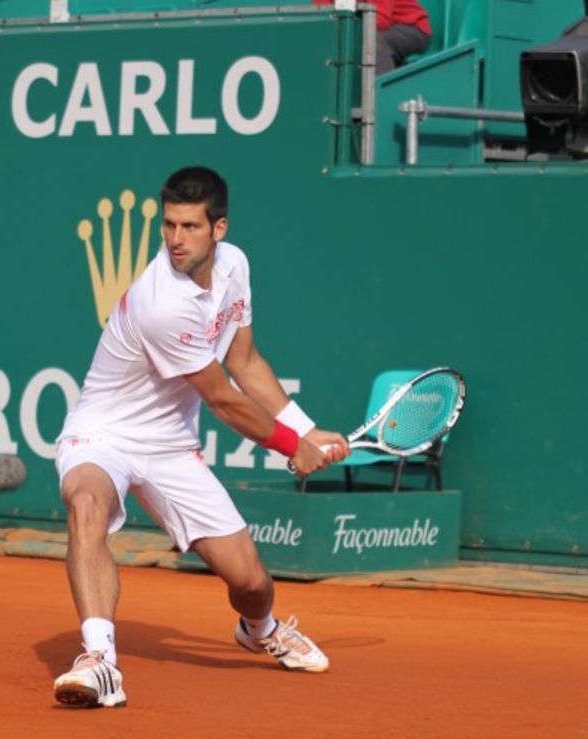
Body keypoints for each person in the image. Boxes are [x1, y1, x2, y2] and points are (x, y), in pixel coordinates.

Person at [52, 166, 350, 709]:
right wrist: (291, 448)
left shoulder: (234, 267)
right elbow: (223, 399)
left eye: (189, 226)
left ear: (219, 229)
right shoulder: (162, 301)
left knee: (252, 581)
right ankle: (99, 662)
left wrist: (306, 429)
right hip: (103, 433)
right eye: (168, 225)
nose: (174, 240)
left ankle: (260, 630)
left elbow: (245, 360)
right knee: (86, 503)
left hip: (169, 446)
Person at [313, 0, 431, 75]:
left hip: (411, 28)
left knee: (374, 43)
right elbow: (322, 15)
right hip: (368, 26)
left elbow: (380, 20)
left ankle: (383, 100)